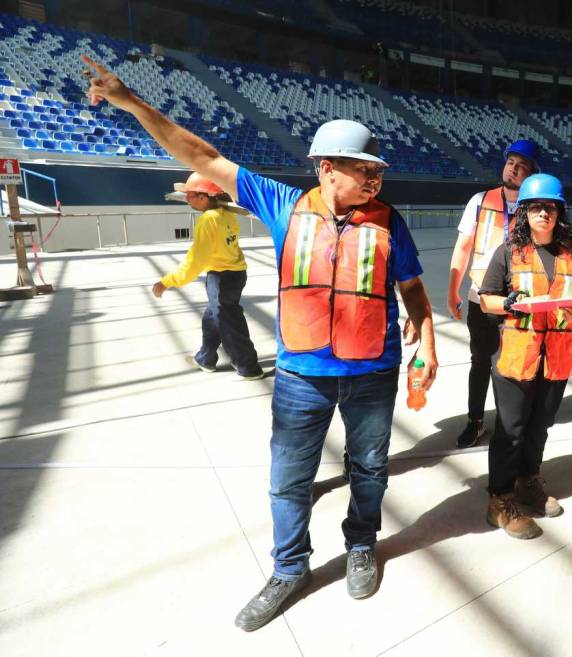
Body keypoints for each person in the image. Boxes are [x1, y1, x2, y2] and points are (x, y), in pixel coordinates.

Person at [82, 56, 438, 630]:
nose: (375, 179)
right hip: (301, 375)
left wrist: (427, 339)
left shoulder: (389, 221)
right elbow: (201, 156)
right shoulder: (281, 204)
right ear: (326, 168)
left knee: (370, 468)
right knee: (288, 478)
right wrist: (130, 101)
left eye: (377, 171)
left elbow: (415, 293)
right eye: (362, 169)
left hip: (374, 371)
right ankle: (289, 568)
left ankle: (361, 545)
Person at [478, 174, 572, 539]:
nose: (543, 213)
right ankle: (499, 498)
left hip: (557, 355)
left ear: (559, 211)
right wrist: (508, 302)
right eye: (535, 207)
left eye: (550, 207)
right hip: (518, 354)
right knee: (510, 431)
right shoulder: (508, 253)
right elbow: (486, 299)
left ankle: (529, 481)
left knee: (539, 426)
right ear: (524, 212)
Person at [447, 139, 541, 449]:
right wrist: (453, 290)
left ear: (531, 174)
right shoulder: (480, 200)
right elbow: (463, 247)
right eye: (510, 162)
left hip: (521, 302)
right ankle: (475, 421)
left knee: (516, 365)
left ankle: (511, 422)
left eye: (521, 165)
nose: (513, 168)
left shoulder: (537, 207)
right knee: (480, 362)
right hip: (482, 298)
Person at [154, 172, 262, 380]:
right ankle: (206, 358)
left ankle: (249, 367)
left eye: (190, 195)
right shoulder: (226, 214)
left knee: (230, 322)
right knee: (213, 317)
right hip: (235, 273)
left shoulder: (208, 220)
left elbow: (196, 259)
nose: (186, 199)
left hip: (222, 277)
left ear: (203, 197)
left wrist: (167, 281)